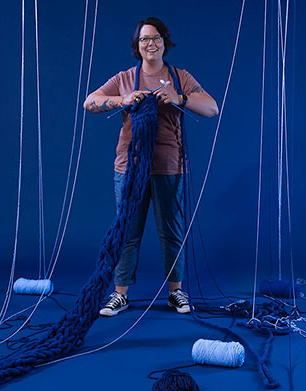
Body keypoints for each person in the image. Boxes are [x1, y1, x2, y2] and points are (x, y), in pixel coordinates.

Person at [83, 17, 218, 316]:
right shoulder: (125, 78)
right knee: (127, 231)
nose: (151, 44)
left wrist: (179, 98)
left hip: (170, 165)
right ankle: (120, 294)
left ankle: (176, 292)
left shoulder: (180, 76)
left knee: (171, 231)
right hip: (129, 167)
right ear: (137, 45)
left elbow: (211, 108)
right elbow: (90, 102)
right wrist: (124, 99)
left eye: (156, 38)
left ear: (164, 42)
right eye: (145, 39)